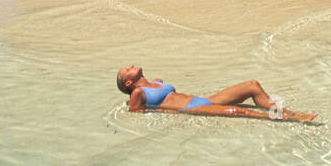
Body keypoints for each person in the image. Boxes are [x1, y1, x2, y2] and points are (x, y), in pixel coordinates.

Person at [116, 65, 316, 121]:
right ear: (129, 82)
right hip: (192, 108)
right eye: (128, 69)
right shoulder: (137, 94)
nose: (132, 65)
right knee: (242, 112)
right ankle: (297, 119)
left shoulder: (157, 82)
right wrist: (176, 112)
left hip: (203, 100)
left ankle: (285, 112)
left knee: (252, 85)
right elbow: (136, 114)